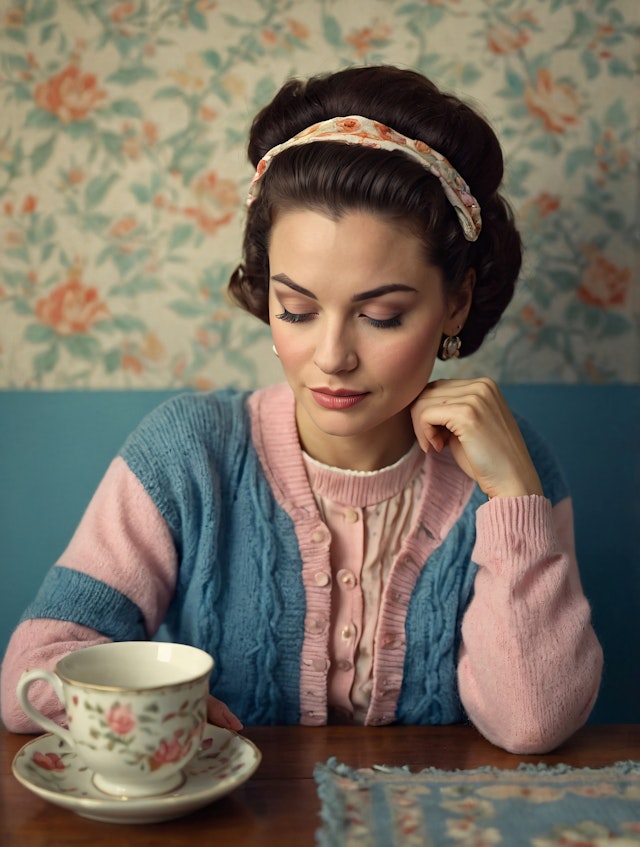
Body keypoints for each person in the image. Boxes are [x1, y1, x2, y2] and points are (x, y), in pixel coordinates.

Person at [1, 65, 602, 753]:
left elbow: (535, 723)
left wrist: (515, 498)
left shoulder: (515, 470)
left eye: (382, 315)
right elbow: (33, 664)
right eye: (296, 308)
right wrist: (145, 715)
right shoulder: (187, 452)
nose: (331, 356)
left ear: (456, 302)